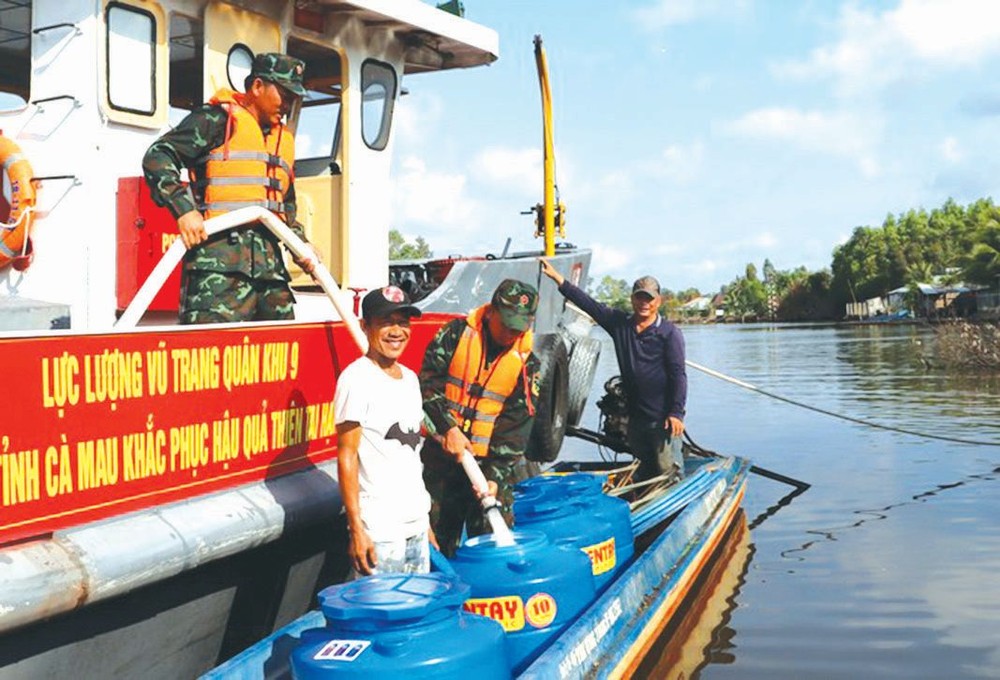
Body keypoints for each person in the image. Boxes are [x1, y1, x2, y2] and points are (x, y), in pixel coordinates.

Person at [142, 52, 317, 324]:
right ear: (257, 86)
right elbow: (159, 155)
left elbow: (286, 206)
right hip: (218, 274)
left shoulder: (282, 142)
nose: (289, 104)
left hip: (272, 279)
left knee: (279, 358)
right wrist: (184, 210)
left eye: (295, 98)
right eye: (284, 94)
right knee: (211, 359)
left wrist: (301, 245)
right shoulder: (216, 120)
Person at [420, 279, 541, 556]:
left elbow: (516, 429)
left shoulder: (528, 367)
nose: (512, 333)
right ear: (491, 311)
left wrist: (494, 478)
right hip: (442, 462)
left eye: (519, 327)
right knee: (434, 544)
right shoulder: (455, 334)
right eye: (507, 323)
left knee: (495, 546)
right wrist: (448, 428)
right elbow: (427, 384)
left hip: (488, 468)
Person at [540, 259, 687, 482]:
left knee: (670, 475)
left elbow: (679, 376)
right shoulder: (621, 325)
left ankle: (677, 511)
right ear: (632, 299)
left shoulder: (669, 333)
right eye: (639, 296)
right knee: (643, 474)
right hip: (635, 418)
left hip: (662, 420)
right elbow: (589, 304)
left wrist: (676, 412)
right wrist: (559, 280)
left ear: (659, 301)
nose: (644, 302)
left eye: (649, 298)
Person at [335, 286, 432, 577]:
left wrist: (424, 523)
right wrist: (357, 530)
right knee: (383, 617)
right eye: (386, 322)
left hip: (416, 526)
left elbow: (410, 455)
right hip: (380, 531)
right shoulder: (356, 379)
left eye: (403, 323)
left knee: (417, 616)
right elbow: (347, 456)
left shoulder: (411, 380)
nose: (396, 331)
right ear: (365, 326)